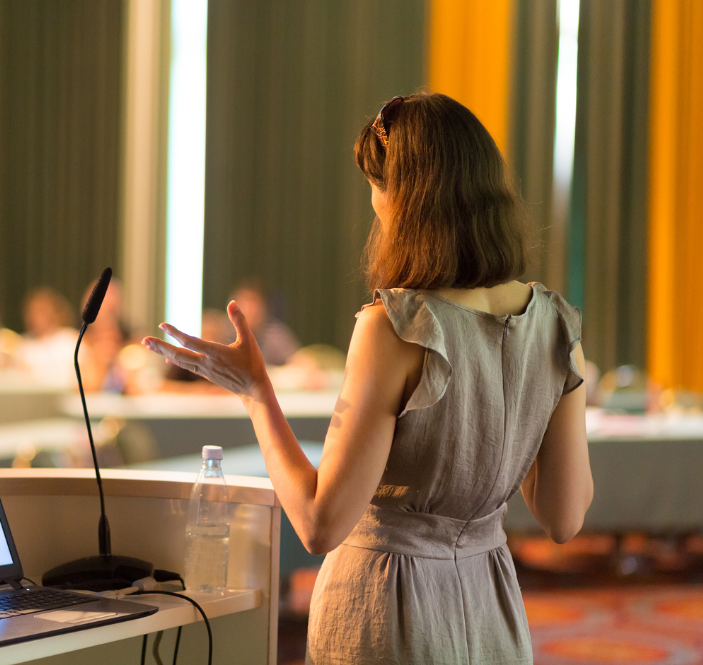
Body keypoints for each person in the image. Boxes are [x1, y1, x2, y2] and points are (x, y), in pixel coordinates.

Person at [143, 92, 592, 664]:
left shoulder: (397, 327)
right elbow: (564, 517)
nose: (374, 205)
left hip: (387, 606)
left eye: (377, 187)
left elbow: (319, 522)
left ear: (407, 199)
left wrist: (257, 392)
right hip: (492, 609)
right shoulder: (555, 324)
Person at [14, 287, 79, 385]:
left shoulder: (70, 340)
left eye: (42, 310)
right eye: (34, 311)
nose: (37, 316)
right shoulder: (22, 345)